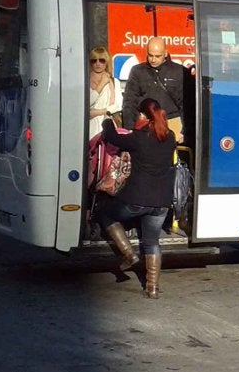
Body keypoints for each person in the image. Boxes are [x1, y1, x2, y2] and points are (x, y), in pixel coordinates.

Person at [99, 98, 176, 299]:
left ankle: (129, 255)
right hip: (162, 202)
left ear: (142, 115)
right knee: (152, 242)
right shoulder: (170, 137)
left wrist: (108, 121)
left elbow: (112, 137)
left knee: (105, 214)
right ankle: (152, 288)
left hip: (137, 199)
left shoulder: (139, 138)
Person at [122, 37, 186, 144]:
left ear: (165, 53)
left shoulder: (179, 71)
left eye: (157, 56)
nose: (153, 59)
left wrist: (184, 131)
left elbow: (186, 104)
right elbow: (129, 102)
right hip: (146, 124)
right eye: (150, 55)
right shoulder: (137, 71)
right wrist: (129, 129)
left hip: (172, 123)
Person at [87, 46, 122, 140]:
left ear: (106, 62)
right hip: (88, 128)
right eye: (94, 60)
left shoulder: (114, 82)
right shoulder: (84, 81)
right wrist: (101, 84)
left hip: (107, 125)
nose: (97, 63)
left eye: (101, 60)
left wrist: (94, 112)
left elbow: (118, 106)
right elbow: (87, 103)